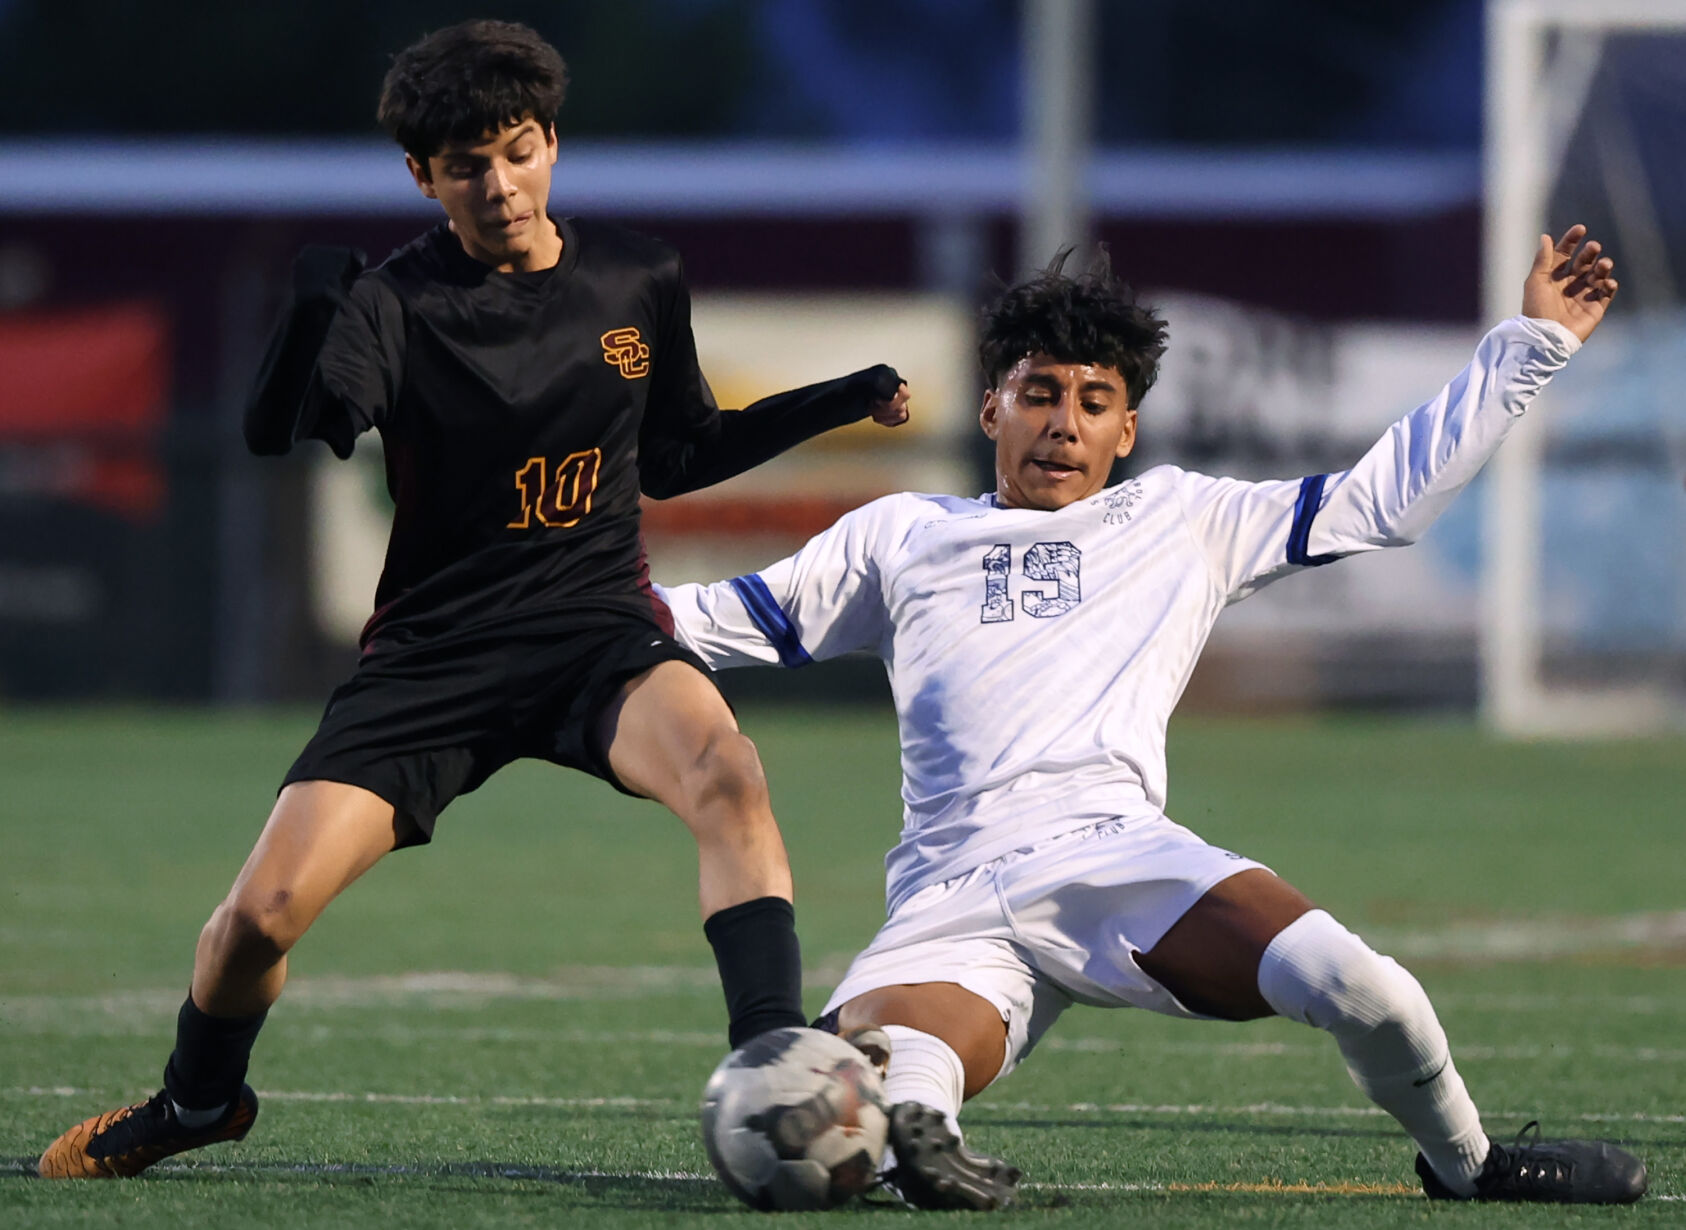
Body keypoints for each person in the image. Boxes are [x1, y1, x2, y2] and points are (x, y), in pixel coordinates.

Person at [38, 19, 911, 1180]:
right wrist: (311, 311)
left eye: (516, 151)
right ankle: (198, 1105)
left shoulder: (636, 275)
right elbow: (279, 432)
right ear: (422, 175)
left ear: (551, 142)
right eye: (465, 166)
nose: (497, 186)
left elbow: (681, 454)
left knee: (727, 771)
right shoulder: (397, 303)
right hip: (434, 659)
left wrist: (842, 397)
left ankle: (774, 1066)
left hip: (595, 631)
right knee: (257, 921)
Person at [657, 226, 1650, 1210]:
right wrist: (538, 598)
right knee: (899, 1058)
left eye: (1095, 402)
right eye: (1039, 393)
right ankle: (920, 1145)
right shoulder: (902, 536)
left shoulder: (1182, 519)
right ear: (992, 405)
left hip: (1117, 857)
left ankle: (1469, 1167)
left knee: (1367, 988)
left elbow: (1381, 500)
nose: (1065, 423)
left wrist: (1532, 342)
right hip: (948, 895)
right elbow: (699, 623)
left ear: (1126, 431)